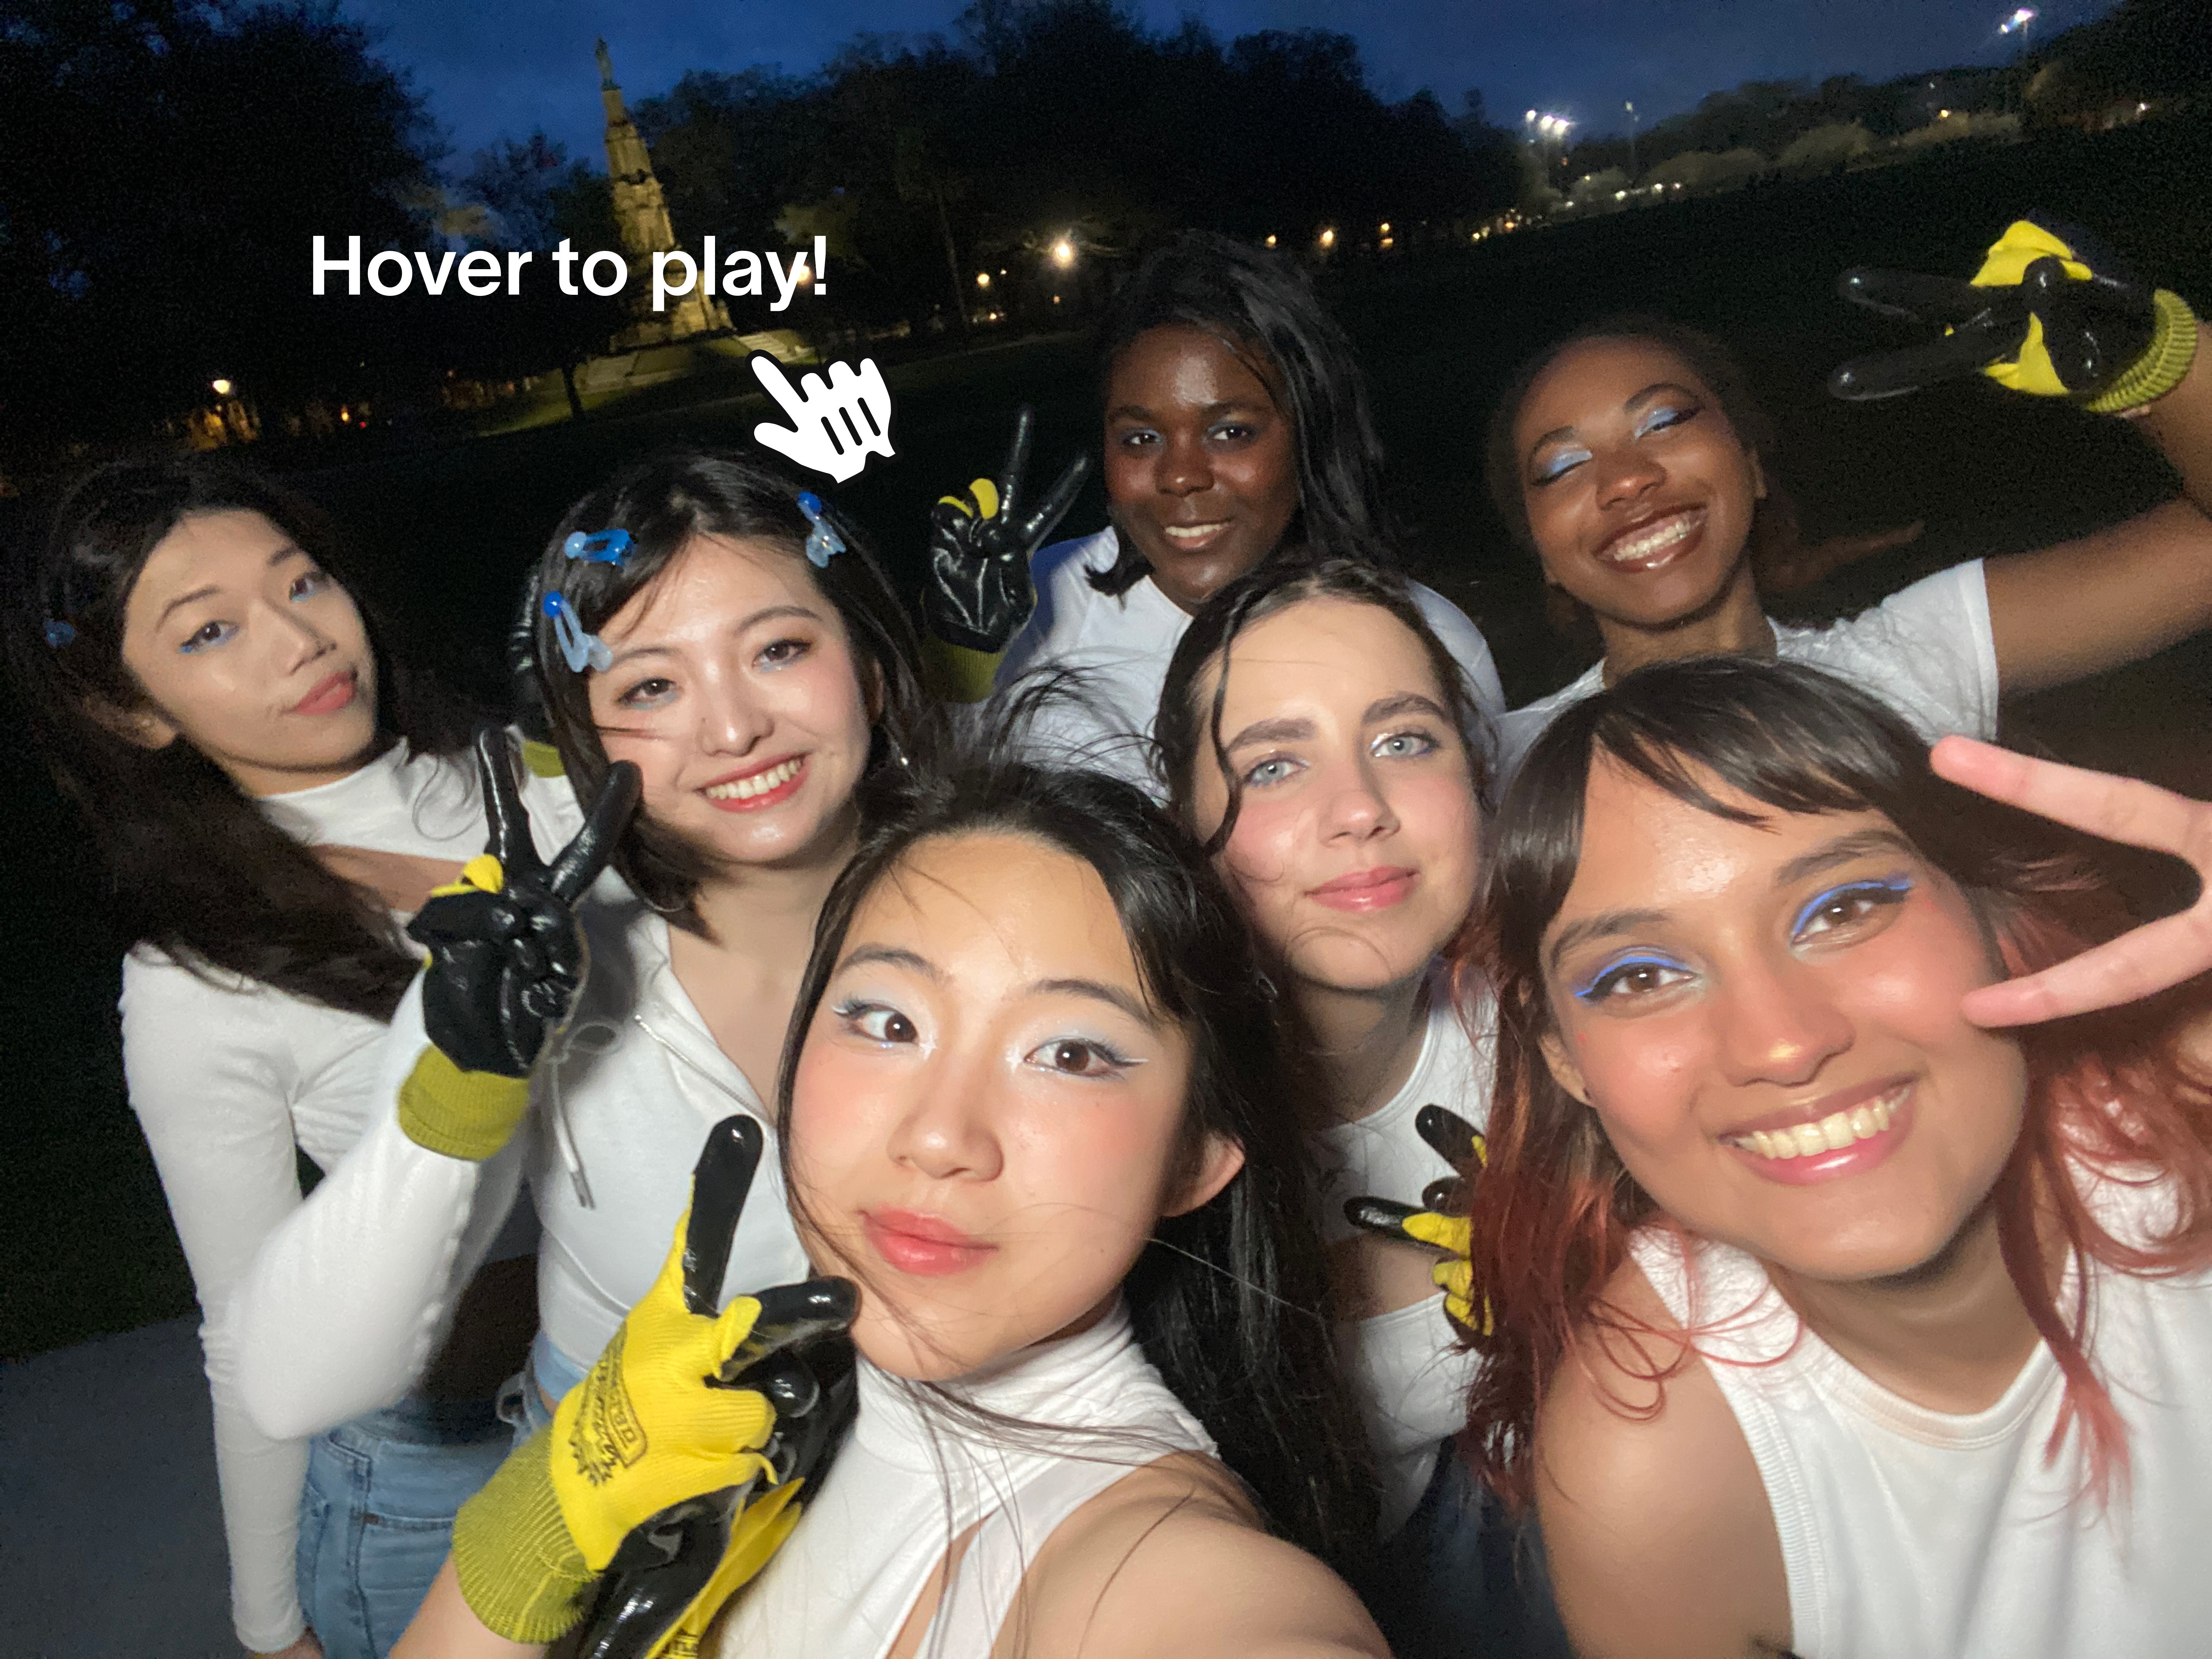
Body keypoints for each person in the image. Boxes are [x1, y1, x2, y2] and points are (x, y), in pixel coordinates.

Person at [395, 758, 1389, 1656]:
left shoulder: (1163, 1577)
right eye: (888, 1022)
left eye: (1070, 1054)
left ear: (1198, 1158)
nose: (940, 1136)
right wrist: (541, 1527)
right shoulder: (774, 1407)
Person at [1462, 656, 2212, 1658]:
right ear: (1562, 1055)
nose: (1782, 1044)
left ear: (1986, 911)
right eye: (1640, 976)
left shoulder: (2191, 1116)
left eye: (1844, 908)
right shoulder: (1653, 1474)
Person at [227, 452, 941, 1494]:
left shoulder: (995, 917)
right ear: (585, 743)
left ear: (867, 668)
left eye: (778, 649)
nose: (733, 727)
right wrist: (457, 1091)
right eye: (653, 685)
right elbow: (291, 1388)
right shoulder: (536, 978)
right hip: (617, 1517)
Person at [0, 457, 582, 1659]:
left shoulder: (528, 785)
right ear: (133, 711)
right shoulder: (200, 978)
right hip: (434, 1478)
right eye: (209, 630)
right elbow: (246, 1333)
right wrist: (271, 1628)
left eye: (302, 581)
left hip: (655, 1404)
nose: (298, 639)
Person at [1153, 557, 1563, 1659]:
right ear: (1180, 823)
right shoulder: (1130, 1102)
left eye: (1405, 741)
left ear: (1479, 777)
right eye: (1274, 765)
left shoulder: (1564, 1037)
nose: (1360, 812)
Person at [1486, 217, 2212, 775]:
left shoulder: (1915, 661)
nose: (1625, 478)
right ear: (1540, 550)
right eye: (1561, 467)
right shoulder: (1490, 775)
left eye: (1666, 421)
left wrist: (2161, 365)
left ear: (1752, 467)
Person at [923, 229, 1503, 787]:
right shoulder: (1031, 611)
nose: (1181, 476)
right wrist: (961, 671)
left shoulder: (1429, 643)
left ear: (1311, 432)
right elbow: (947, 810)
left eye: (1230, 432)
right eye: (1141, 439)